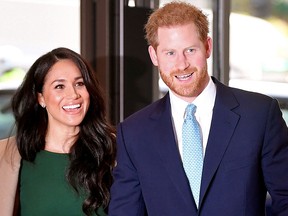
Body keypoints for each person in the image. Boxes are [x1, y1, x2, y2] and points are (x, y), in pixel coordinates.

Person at [109, 2, 288, 216]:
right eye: (170, 53)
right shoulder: (133, 133)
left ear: (208, 47)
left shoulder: (259, 115)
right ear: (154, 56)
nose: (182, 64)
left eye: (190, 50)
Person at [0, 47, 116, 216]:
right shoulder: (10, 154)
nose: (73, 94)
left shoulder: (114, 149)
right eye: (59, 86)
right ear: (40, 98)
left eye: (80, 84)